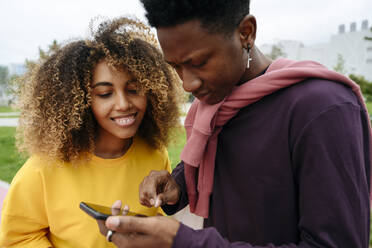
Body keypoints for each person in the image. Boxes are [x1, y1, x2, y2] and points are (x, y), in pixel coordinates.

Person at [99, 0, 372, 248]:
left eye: (199, 62)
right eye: (176, 67)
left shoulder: (322, 108)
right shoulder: (215, 103)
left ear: (246, 33)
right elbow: (218, 166)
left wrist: (184, 243)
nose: (187, 83)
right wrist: (178, 185)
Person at [0, 17, 182, 248]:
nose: (124, 103)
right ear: (80, 102)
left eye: (134, 89)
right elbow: (17, 238)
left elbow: (158, 222)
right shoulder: (44, 168)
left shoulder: (155, 155)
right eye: (105, 93)